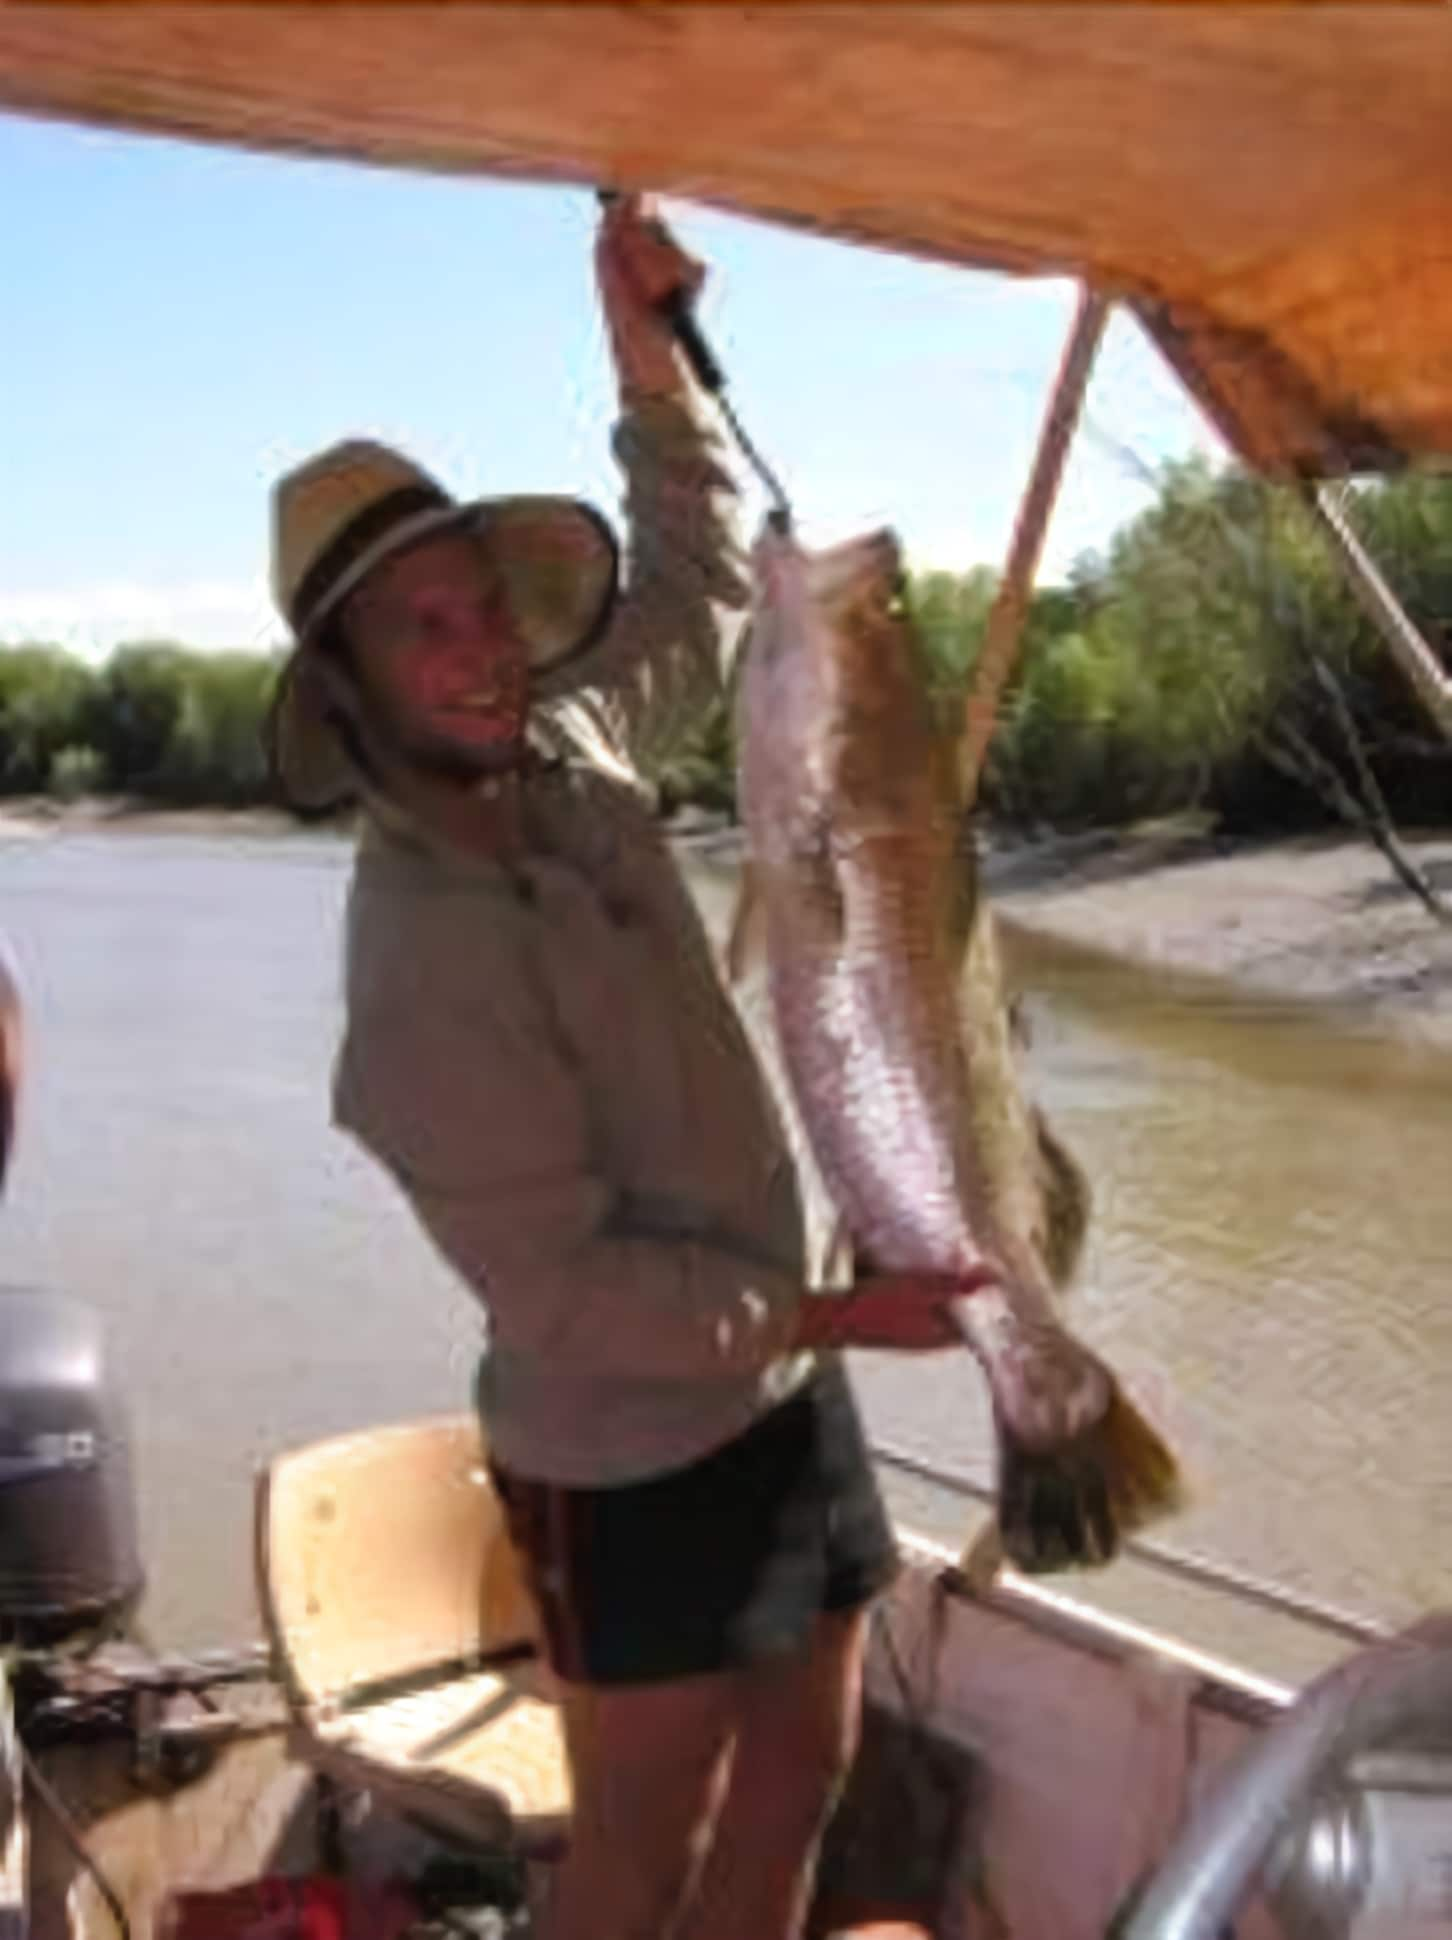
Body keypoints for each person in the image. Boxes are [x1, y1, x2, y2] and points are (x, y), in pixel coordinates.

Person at [266, 195, 987, 1940]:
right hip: (622, 1457)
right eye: (421, 629)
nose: (480, 647)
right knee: (635, 1853)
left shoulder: (574, 746)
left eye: (482, 606)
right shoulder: (420, 965)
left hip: (776, 1402)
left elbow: (703, 572)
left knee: (806, 1782)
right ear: (352, 690)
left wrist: (639, 343)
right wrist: (830, 1320)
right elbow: (574, 1298)